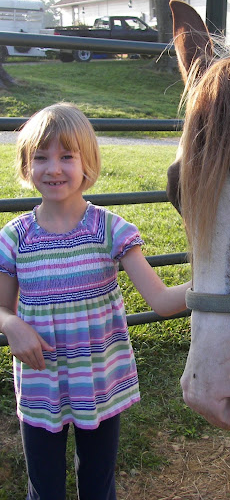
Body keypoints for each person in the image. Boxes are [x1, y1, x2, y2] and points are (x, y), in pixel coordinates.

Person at [0, 102, 191, 500]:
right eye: (41, 157)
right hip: (40, 387)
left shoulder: (111, 230)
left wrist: (218, 287)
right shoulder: (14, 239)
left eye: (66, 156)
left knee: (98, 486)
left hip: (99, 385)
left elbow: (161, 301)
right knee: (44, 488)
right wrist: (11, 324)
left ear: (88, 163)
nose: (53, 168)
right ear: (25, 165)